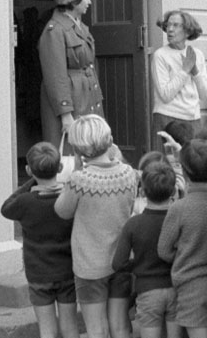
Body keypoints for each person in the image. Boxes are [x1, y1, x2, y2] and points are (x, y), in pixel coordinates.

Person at [53, 115, 139, 338]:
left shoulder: (79, 180)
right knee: (120, 326)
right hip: (121, 260)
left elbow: (62, 211)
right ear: (109, 140)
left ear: (79, 149)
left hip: (89, 266)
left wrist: (77, 170)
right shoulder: (129, 174)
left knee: (96, 329)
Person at [1, 142, 79, 338]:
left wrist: (31, 182)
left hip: (38, 274)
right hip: (66, 271)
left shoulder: (25, 202)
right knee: (70, 327)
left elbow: (6, 207)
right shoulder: (67, 200)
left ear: (28, 170)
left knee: (47, 330)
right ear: (60, 168)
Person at [157, 140, 207, 338]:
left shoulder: (179, 207)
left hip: (190, 286)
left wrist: (182, 254)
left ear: (184, 173)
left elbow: (163, 250)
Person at [111, 162, 180, 338]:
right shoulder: (179, 220)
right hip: (176, 287)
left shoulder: (133, 224)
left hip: (147, 290)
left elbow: (118, 263)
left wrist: (138, 264)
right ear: (173, 192)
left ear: (142, 192)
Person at [39, 0, 103, 148]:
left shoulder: (79, 27)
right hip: (72, 104)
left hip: (85, 98)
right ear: (74, 1)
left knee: (91, 148)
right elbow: (55, 76)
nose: (89, 2)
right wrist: (65, 113)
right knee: (70, 153)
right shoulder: (55, 30)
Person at [151, 10, 207, 150]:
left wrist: (195, 71)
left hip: (193, 119)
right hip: (167, 117)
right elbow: (165, 95)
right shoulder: (160, 55)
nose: (170, 29)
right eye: (168, 25)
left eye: (176, 25)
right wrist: (184, 71)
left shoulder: (197, 55)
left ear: (188, 31)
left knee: (193, 163)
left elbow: (204, 94)